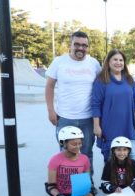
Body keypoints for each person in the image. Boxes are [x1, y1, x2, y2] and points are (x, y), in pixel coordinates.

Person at [45, 31, 101, 169]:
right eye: (76, 44)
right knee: (66, 153)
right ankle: (68, 185)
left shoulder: (93, 63)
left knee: (87, 153)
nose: (80, 48)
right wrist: (51, 111)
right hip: (65, 118)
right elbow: (49, 86)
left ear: (88, 47)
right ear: (70, 45)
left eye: (84, 45)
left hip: (88, 118)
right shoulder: (59, 62)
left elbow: (102, 87)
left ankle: (87, 184)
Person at [91, 49, 135, 162]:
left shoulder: (129, 79)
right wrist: (96, 125)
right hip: (109, 127)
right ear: (108, 62)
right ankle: (111, 180)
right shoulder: (101, 80)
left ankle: (132, 180)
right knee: (111, 161)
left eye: (121, 60)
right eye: (115, 59)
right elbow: (95, 104)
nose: (118, 62)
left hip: (128, 126)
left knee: (132, 158)